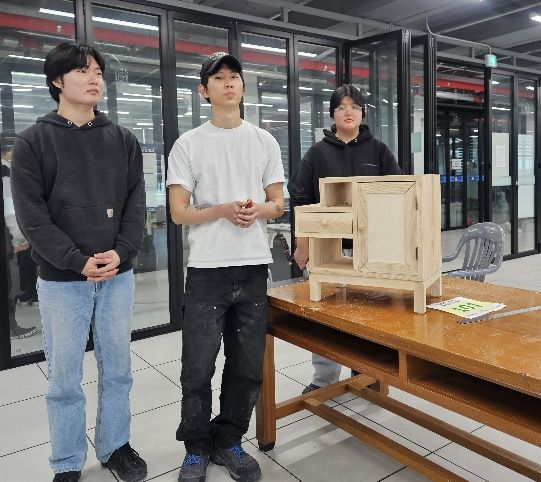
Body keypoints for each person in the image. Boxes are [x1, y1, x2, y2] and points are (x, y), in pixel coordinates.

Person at [10, 42, 147, 482]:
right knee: (65, 377)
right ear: (57, 81)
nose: (94, 79)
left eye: (98, 73)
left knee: (118, 370)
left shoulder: (122, 140)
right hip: (62, 280)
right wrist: (75, 260)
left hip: (117, 276)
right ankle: (67, 460)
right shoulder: (33, 142)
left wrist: (122, 251)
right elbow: (32, 218)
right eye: (83, 71)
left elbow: (135, 208)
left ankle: (115, 445)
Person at [167, 51, 285, 482]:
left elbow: (278, 203)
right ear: (205, 90)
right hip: (207, 270)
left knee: (247, 365)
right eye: (219, 78)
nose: (229, 83)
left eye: (235, 77)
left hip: (252, 268)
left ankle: (229, 440)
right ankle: (196, 446)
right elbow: (178, 212)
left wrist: (259, 210)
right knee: (197, 366)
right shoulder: (189, 143)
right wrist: (219, 209)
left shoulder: (264, 141)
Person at [288, 84, 402, 394]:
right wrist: (302, 243)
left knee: (371, 314)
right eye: (341, 107)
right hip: (326, 250)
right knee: (325, 316)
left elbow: (398, 194)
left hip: (373, 249)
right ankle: (323, 379)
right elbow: (300, 198)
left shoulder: (379, 150)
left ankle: (368, 372)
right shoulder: (317, 152)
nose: (348, 112)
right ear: (332, 115)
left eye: (354, 106)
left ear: (363, 112)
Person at [2, 142, 37, 339]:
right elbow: (10, 211)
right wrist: (19, 239)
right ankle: (11, 328)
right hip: (7, 240)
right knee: (9, 286)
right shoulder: (6, 173)